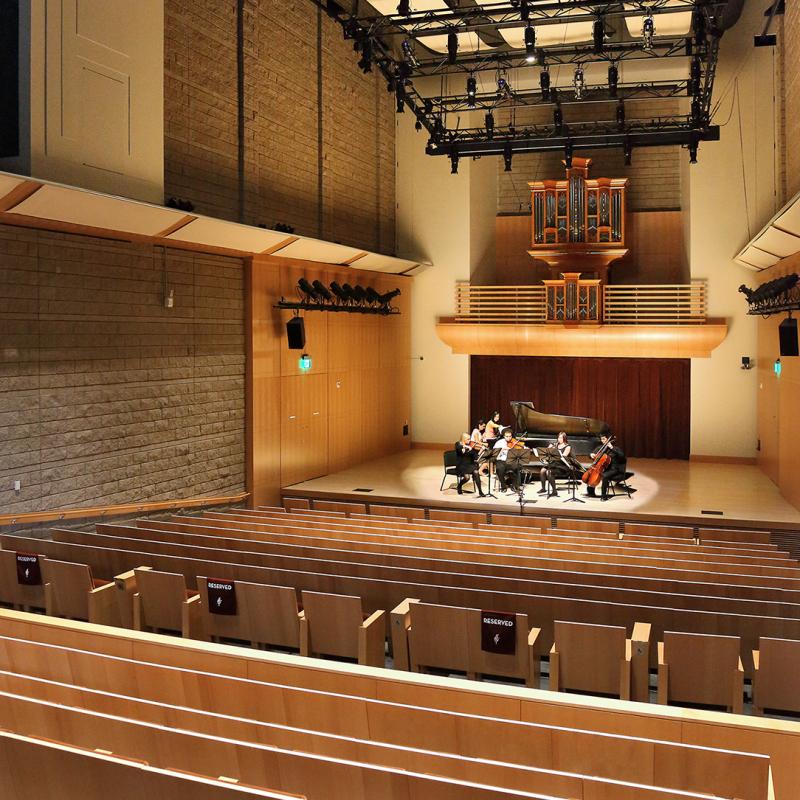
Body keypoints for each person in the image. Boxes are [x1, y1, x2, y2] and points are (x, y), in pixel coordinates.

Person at [586, 434, 627, 500]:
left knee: (604, 476)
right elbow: (590, 455)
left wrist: (612, 448)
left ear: (608, 439)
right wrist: (591, 455)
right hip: (603, 468)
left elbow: (622, 456)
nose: (602, 441)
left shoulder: (616, 448)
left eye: (604, 439)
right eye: (601, 439)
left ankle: (604, 496)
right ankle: (591, 492)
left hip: (613, 469)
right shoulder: (600, 448)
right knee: (591, 473)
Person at [534, 431, 572, 498]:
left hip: (562, 466)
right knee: (542, 470)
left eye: (561, 438)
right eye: (558, 438)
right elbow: (547, 453)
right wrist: (549, 449)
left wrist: (555, 452)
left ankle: (554, 491)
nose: (559, 439)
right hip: (554, 464)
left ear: (564, 438)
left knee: (548, 472)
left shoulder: (568, 447)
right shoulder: (555, 445)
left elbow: (562, 457)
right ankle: (543, 488)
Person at [492, 428, 521, 494]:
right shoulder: (499, 443)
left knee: (517, 467)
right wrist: (502, 449)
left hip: (511, 460)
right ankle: (503, 486)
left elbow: (520, 450)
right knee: (499, 469)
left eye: (510, 436)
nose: (508, 438)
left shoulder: (514, 442)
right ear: (504, 436)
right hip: (501, 460)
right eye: (507, 436)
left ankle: (514, 485)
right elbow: (494, 453)